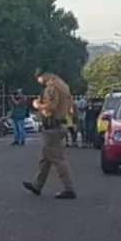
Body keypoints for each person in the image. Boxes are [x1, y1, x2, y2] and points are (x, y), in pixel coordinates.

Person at [23, 71, 76, 199]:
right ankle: (37, 185)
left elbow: (50, 107)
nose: (39, 81)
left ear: (45, 75)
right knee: (46, 157)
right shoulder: (64, 86)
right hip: (60, 123)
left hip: (53, 126)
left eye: (39, 78)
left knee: (57, 158)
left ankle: (69, 188)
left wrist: (37, 105)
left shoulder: (52, 88)